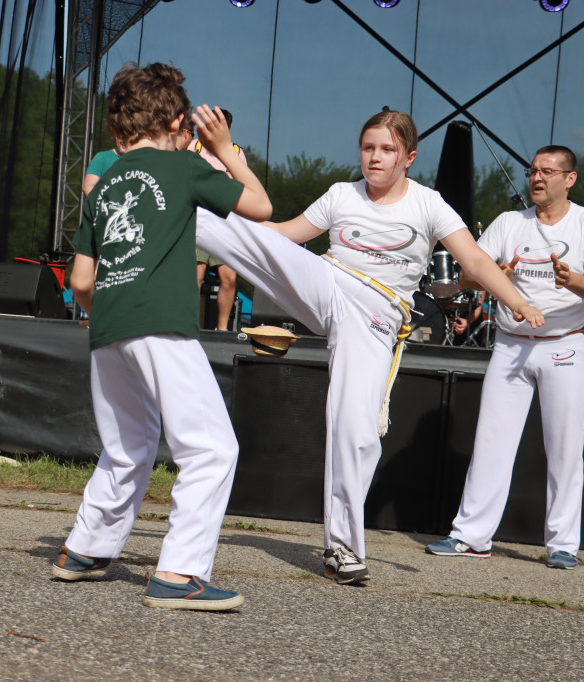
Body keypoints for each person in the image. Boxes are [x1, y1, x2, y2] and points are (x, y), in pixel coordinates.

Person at [196, 109, 544, 585]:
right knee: (253, 236)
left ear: (409, 157)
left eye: (386, 150)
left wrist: (518, 301)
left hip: (378, 314)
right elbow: (279, 237)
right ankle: (173, 201)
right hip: (329, 282)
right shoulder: (342, 194)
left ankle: (342, 550)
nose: (374, 158)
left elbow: (477, 261)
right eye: (367, 148)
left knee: (356, 431)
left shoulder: (429, 204)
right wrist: (227, 165)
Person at [54, 62, 272, 610]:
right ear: (179, 121)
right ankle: (178, 574)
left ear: (116, 127)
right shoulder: (183, 168)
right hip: (161, 326)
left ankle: (82, 549)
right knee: (212, 448)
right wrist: (224, 148)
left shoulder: (101, 190)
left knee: (128, 447)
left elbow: (81, 280)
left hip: (107, 328)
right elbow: (262, 208)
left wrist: (110, 310)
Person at [427, 145, 584, 569]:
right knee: (491, 441)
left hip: (564, 344)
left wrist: (574, 280)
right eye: (533, 170)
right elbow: (465, 274)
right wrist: (499, 275)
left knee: (565, 447)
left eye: (548, 171)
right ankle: (471, 536)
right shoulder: (509, 222)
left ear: (569, 179)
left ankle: (563, 543)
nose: (537, 177)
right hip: (511, 344)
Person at [191, 108, 246, 331]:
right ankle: (190, 325)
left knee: (229, 278)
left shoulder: (235, 152)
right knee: (196, 276)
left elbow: (242, 189)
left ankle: (222, 329)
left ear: (228, 129)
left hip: (224, 224)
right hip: (197, 222)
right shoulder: (192, 147)